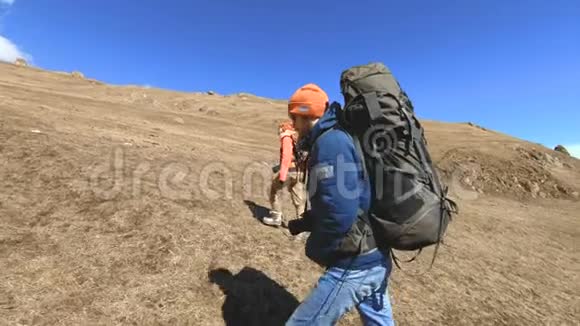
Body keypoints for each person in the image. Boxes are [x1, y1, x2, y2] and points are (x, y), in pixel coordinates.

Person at [285, 83, 394, 325]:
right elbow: (347, 196)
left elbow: (339, 212)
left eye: (294, 117)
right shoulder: (341, 135)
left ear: (305, 115)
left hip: (354, 262)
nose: (292, 124)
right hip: (376, 252)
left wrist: (317, 249)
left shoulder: (330, 143)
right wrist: (306, 222)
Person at [263, 121, 306, 227]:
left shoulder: (286, 137)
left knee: (274, 191)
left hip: (289, 171)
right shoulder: (296, 138)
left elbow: (287, 156)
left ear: (283, 128)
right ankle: (301, 223)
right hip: (299, 172)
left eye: (280, 129)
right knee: (298, 198)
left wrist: (282, 175)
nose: (279, 131)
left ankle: (276, 217)